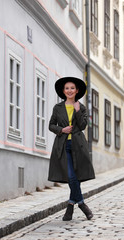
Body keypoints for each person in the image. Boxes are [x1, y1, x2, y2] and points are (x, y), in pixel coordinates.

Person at [48, 76, 95, 221]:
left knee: (75, 177)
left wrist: (78, 111)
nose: (69, 91)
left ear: (77, 91)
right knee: (70, 176)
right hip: (62, 146)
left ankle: (70, 206)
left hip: (78, 146)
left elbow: (82, 126)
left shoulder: (82, 107)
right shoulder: (58, 107)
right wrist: (62, 130)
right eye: (67, 88)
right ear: (63, 91)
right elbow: (51, 125)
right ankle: (81, 204)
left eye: (72, 88)